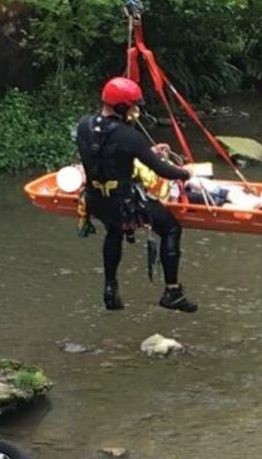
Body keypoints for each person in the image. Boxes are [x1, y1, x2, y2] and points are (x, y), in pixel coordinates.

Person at [76, 76, 201, 313]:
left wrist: (147, 151)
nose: (135, 112)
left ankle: (110, 289)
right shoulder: (128, 135)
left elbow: (105, 152)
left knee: (113, 231)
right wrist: (185, 173)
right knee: (171, 228)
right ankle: (172, 292)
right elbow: (162, 170)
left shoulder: (84, 125)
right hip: (123, 203)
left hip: (96, 200)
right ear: (123, 107)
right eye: (133, 107)